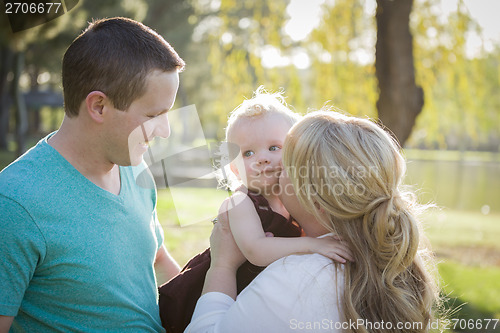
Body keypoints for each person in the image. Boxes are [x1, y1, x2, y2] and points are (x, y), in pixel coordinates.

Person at [0, 17, 185, 332]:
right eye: (154, 115)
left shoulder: (137, 172)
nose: (164, 131)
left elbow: (158, 259)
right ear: (99, 106)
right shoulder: (15, 203)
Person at [185, 110, 441, 333]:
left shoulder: (295, 280)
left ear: (314, 199)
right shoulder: (385, 259)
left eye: (285, 163)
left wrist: (222, 266)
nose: (271, 166)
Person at [158, 89, 352, 333]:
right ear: (236, 169)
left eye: (274, 147)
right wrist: (315, 245)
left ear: (295, 152)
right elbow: (257, 250)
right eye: (248, 153)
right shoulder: (241, 202)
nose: (261, 158)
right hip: (217, 292)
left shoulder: (294, 201)